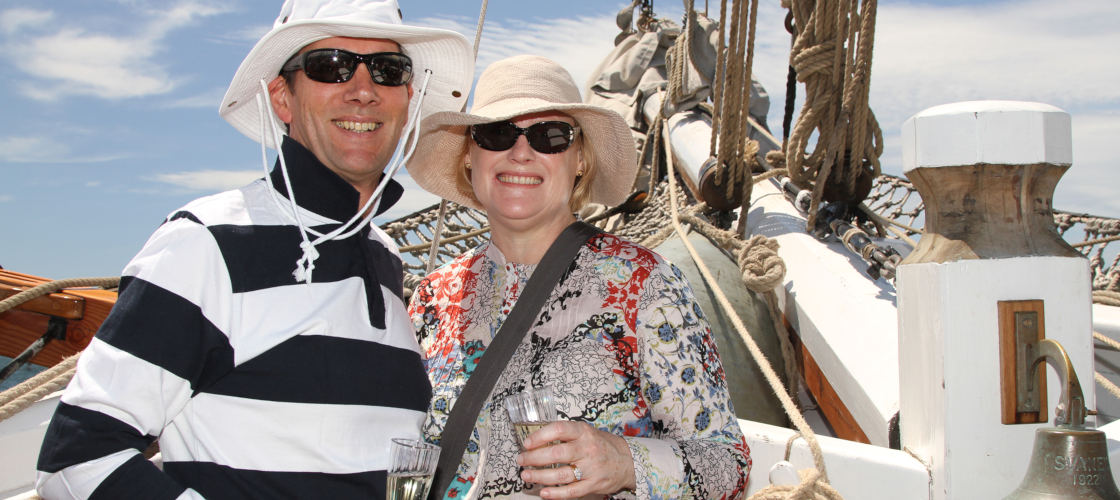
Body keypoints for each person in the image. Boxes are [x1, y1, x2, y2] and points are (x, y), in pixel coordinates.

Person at [34, 1, 473, 498]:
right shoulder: (208, 241)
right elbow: (76, 459)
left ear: (408, 98)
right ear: (282, 99)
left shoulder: (384, 257)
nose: (364, 90)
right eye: (330, 66)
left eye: (388, 70)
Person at [407, 55, 750, 500]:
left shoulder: (643, 284)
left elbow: (730, 466)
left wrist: (625, 461)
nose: (520, 152)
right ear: (470, 155)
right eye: (497, 134)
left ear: (581, 159)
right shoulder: (433, 297)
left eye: (550, 136)